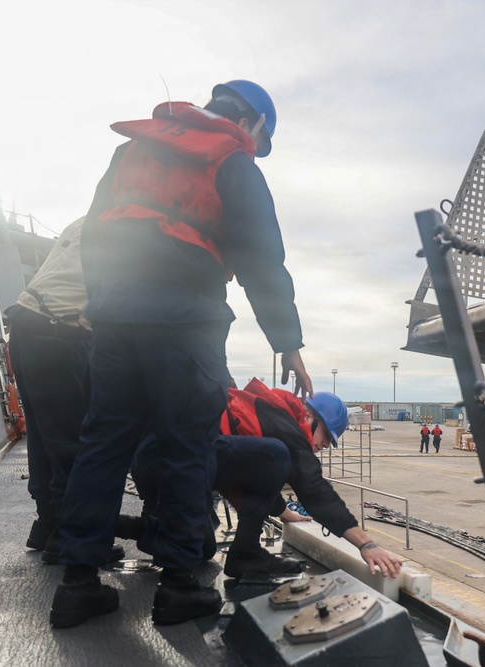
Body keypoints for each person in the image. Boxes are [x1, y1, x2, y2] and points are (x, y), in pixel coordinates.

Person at [50, 80, 314, 629]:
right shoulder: (234, 163)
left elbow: (95, 234)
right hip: (186, 320)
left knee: (102, 442)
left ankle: (77, 583)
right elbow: (262, 257)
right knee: (187, 446)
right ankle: (178, 586)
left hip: (115, 319)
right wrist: (287, 341)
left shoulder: (131, 151)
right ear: (254, 125)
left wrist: (101, 301)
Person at [3, 218, 123, 564]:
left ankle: (47, 525)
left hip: (27, 328)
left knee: (44, 436)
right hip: (57, 331)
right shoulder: (136, 225)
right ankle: (69, 537)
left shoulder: (90, 218)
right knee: (74, 440)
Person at [214, 378, 402, 578]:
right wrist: (366, 543)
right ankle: (245, 554)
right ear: (310, 416)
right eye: (327, 435)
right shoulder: (288, 426)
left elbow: (256, 478)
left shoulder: (273, 416)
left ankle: (242, 553)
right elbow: (313, 489)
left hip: (195, 462)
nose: (326, 445)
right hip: (195, 461)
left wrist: (282, 511)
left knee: (203, 550)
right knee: (276, 454)